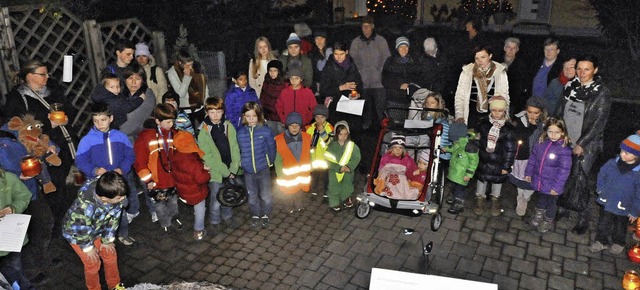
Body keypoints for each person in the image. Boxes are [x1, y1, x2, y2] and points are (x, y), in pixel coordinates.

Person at [2, 59, 77, 226]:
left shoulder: (52, 91)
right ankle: (59, 223)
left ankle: (63, 217)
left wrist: (66, 118)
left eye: (47, 73)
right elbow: (17, 126)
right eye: (42, 74)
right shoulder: (17, 99)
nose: (47, 77)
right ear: (29, 76)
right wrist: (48, 124)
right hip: (41, 148)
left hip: (64, 143)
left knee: (61, 181)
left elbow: (70, 108)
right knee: (53, 185)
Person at [555, 54, 611, 235]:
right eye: (579, 68)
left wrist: (582, 143)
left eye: (587, 69)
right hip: (566, 139)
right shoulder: (571, 86)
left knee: (581, 180)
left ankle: (583, 218)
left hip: (586, 144)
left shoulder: (601, 93)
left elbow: (598, 123)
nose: (582, 72)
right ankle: (563, 208)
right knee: (564, 174)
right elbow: (560, 110)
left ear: (595, 70)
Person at [75, 102, 137, 246]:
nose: (99, 124)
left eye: (103, 120)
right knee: (100, 211)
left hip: (118, 180)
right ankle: (101, 238)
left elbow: (130, 155)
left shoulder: (120, 136)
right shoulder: (87, 140)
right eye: (96, 121)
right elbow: (80, 160)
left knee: (119, 208)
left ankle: (122, 233)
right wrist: (94, 170)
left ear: (111, 118)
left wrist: (122, 169)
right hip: (99, 183)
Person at [62, 171, 128, 290]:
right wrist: (88, 248)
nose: (123, 199)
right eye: (120, 197)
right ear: (104, 198)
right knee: (92, 263)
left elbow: (114, 219)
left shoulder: (115, 197)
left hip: (97, 229)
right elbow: (81, 228)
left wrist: (107, 240)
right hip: (77, 235)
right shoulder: (84, 207)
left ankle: (115, 286)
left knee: (110, 254)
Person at [134, 104, 182, 233]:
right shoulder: (146, 137)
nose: (171, 125)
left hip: (171, 178)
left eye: (172, 121)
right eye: (167, 122)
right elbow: (139, 162)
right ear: (157, 121)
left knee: (173, 201)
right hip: (155, 180)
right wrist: (148, 180)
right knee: (159, 205)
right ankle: (165, 223)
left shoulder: (174, 134)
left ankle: (174, 218)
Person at [590, 131, 640, 254]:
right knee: (604, 222)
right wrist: (600, 189)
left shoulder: (638, 173)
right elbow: (602, 174)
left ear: (636, 156)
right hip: (608, 201)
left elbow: (639, 194)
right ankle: (601, 241)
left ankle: (619, 242)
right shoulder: (612, 163)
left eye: (627, 153)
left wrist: (634, 211)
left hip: (624, 206)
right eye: (622, 151)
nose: (622, 154)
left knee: (620, 226)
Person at [198, 97, 241, 234]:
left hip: (230, 169)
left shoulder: (228, 126)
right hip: (216, 172)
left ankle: (227, 216)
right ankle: (215, 221)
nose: (215, 116)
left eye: (218, 112)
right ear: (206, 112)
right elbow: (207, 156)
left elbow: (235, 147)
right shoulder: (204, 130)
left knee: (228, 194)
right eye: (212, 112)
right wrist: (225, 171)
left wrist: (234, 168)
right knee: (216, 198)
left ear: (223, 112)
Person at [524, 118, 573, 233]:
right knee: (540, 200)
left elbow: (564, 170)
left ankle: (547, 221)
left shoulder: (564, 150)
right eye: (550, 131)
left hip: (552, 185)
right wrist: (528, 173)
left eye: (557, 132)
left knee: (551, 204)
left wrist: (557, 187)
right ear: (546, 131)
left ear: (562, 132)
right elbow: (533, 159)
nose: (553, 135)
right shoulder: (541, 143)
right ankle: (538, 215)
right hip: (540, 182)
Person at [474, 96, 516, 217]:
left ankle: (495, 200)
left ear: (504, 111)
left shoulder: (508, 129)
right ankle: (479, 199)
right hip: (483, 159)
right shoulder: (483, 123)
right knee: (482, 180)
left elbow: (510, 149)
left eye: (500, 110)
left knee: (497, 182)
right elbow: (478, 138)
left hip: (499, 161)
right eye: (494, 110)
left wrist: (507, 165)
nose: (497, 113)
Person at [237, 102, 276, 228]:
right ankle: (255, 214)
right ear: (244, 117)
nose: (251, 119)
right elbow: (239, 149)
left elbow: (271, 147)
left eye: (254, 116)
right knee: (252, 195)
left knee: (266, 195)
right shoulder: (241, 132)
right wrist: (241, 163)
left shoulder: (265, 131)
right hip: (248, 171)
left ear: (259, 116)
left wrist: (270, 161)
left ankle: (265, 214)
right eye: (248, 116)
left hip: (263, 168)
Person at [350, 15, 390, 130]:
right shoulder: (356, 42)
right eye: (363, 26)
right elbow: (353, 60)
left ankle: (384, 129)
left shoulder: (381, 41)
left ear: (372, 26)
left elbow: (386, 59)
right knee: (365, 109)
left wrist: (379, 71)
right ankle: (365, 131)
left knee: (380, 108)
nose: (366, 29)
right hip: (363, 82)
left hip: (379, 83)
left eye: (368, 26)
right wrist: (359, 73)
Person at [509, 96, 548, 217]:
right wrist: (529, 126)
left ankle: (525, 198)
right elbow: (518, 135)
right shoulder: (521, 119)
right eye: (529, 112)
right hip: (521, 156)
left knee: (532, 181)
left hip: (536, 159)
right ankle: (520, 196)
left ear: (541, 112)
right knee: (520, 179)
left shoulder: (545, 124)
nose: (532, 115)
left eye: (536, 113)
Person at [454, 46, 509, 127]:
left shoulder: (500, 72)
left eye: (483, 57)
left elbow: (505, 96)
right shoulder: (467, 72)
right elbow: (460, 96)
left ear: (490, 56)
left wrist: (506, 115)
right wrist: (459, 115)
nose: (480, 61)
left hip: (492, 114)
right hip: (471, 113)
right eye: (477, 58)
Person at [171, 130, 210, 240]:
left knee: (193, 205)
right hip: (196, 192)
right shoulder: (193, 161)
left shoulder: (175, 156)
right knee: (200, 209)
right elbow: (201, 178)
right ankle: (198, 230)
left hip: (183, 190)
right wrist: (207, 172)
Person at [0, 168, 35, 290]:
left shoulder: (8, 178)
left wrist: (12, 208)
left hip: (10, 238)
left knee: (16, 271)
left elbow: (24, 195)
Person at [275, 112, 312, 213]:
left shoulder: (307, 138)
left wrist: (311, 165)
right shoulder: (279, 140)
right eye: (292, 125)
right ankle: (289, 206)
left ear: (300, 126)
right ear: (287, 126)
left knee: (299, 191)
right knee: (288, 192)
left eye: (297, 125)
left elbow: (309, 153)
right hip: (287, 174)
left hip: (302, 173)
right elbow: (278, 160)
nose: (294, 128)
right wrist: (280, 174)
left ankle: (299, 205)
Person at [319, 41, 363, 125]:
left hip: (350, 107)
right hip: (334, 107)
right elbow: (323, 90)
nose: (338, 57)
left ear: (346, 52)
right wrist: (341, 87)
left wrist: (357, 93)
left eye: (341, 54)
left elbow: (359, 83)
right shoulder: (328, 67)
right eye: (336, 54)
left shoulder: (352, 65)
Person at [166, 50, 210, 127]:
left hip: (200, 106)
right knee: (188, 134)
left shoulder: (196, 68)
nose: (190, 67)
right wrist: (186, 77)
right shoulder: (172, 73)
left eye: (191, 64)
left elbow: (204, 87)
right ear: (180, 62)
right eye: (187, 65)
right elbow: (181, 94)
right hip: (185, 109)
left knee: (205, 130)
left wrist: (207, 104)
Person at [324, 121, 360, 211]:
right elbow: (328, 160)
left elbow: (356, 157)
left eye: (345, 134)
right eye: (341, 134)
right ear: (336, 134)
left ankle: (346, 198)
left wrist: (349, 166)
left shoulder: (352, 146)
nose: (343, 137)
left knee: (347, 185)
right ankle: (334, 202)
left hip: (347, 171)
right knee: (333, 186)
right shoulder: (332, 146)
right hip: (334, 171)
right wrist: (338, 168)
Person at [445, 123, 480, 214]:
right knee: (455, 187)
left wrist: (469, 174)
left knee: (460, 190)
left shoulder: (469, 147)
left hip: (462, 174)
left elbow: (473, 162)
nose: (454, 141)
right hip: (455, 171)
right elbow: (453, 148)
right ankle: (455, 198)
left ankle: (459, 204)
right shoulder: (458, 143)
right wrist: (446, 149)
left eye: (455, 139)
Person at [118, 63, 157, 140]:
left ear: (142, 80)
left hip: (142, 139)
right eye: (130, 78)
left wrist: (114, 131)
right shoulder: (118, 94)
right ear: (124, 80)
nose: (133, 82)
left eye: (138, 78)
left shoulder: (148, 94)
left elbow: (132, 122)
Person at [382, 37, 422, 110]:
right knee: (396, 121)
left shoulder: (415, 61)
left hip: (411, 100)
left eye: (406, 46)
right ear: (397, 48)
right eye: (401, 47)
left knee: (410, 121)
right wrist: (399, 85)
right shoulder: (390, 61)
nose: (404, 49)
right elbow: (385, 79)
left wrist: (410, 85)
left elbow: (420, 78)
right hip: (394, 100)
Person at [375, 135, 420, 200]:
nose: (398, 150)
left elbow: (411, 173)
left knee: (407, 190)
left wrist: (413, 173)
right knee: (388, 187)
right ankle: (391, 194)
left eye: (400, 148)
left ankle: (400, 196)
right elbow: (381, 171)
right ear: (391, 149)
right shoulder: (386, 157)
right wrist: (381, 180)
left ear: (403, 149)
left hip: (402, 181)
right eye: (395, 148)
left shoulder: (407, 159)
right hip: (389, 179)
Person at [305, 104, 333, 198]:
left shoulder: (330, 128)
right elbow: (306, 142)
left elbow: (330, 143)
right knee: (314, 176)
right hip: (314, 159)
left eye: (322, 117)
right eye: (317, 117)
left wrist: (322, 131)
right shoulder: (310, 128)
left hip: (325, 159)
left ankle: (326, 193)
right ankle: (314, 191)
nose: (319, 120)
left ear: (326, 117)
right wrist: (310, 145)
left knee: (326, 178)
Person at [501, 37, 528, 115]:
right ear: (504, 48)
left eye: (514, 48)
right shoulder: (496, 61)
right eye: (509, 47)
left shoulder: (522, 65)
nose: (511, 50)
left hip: (513, 101)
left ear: (517, 50)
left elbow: (522, 85)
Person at [260, 60, 288, 135]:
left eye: (275, 71)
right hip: (269, 115)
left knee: (282, 136)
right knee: (271, 136)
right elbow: (262, 97)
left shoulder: (285, 84)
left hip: (280, 117)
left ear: (279, 71)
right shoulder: (266, 81)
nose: (272, 73)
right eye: (270, 70)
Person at [308, 29, 332, 96]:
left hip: (332, 86)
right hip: (318, 88)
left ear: (326, 39)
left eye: (322, 38)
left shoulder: (331, 52)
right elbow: (312, 74)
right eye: (317, 39)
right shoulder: (311, 55)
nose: (319, 41)